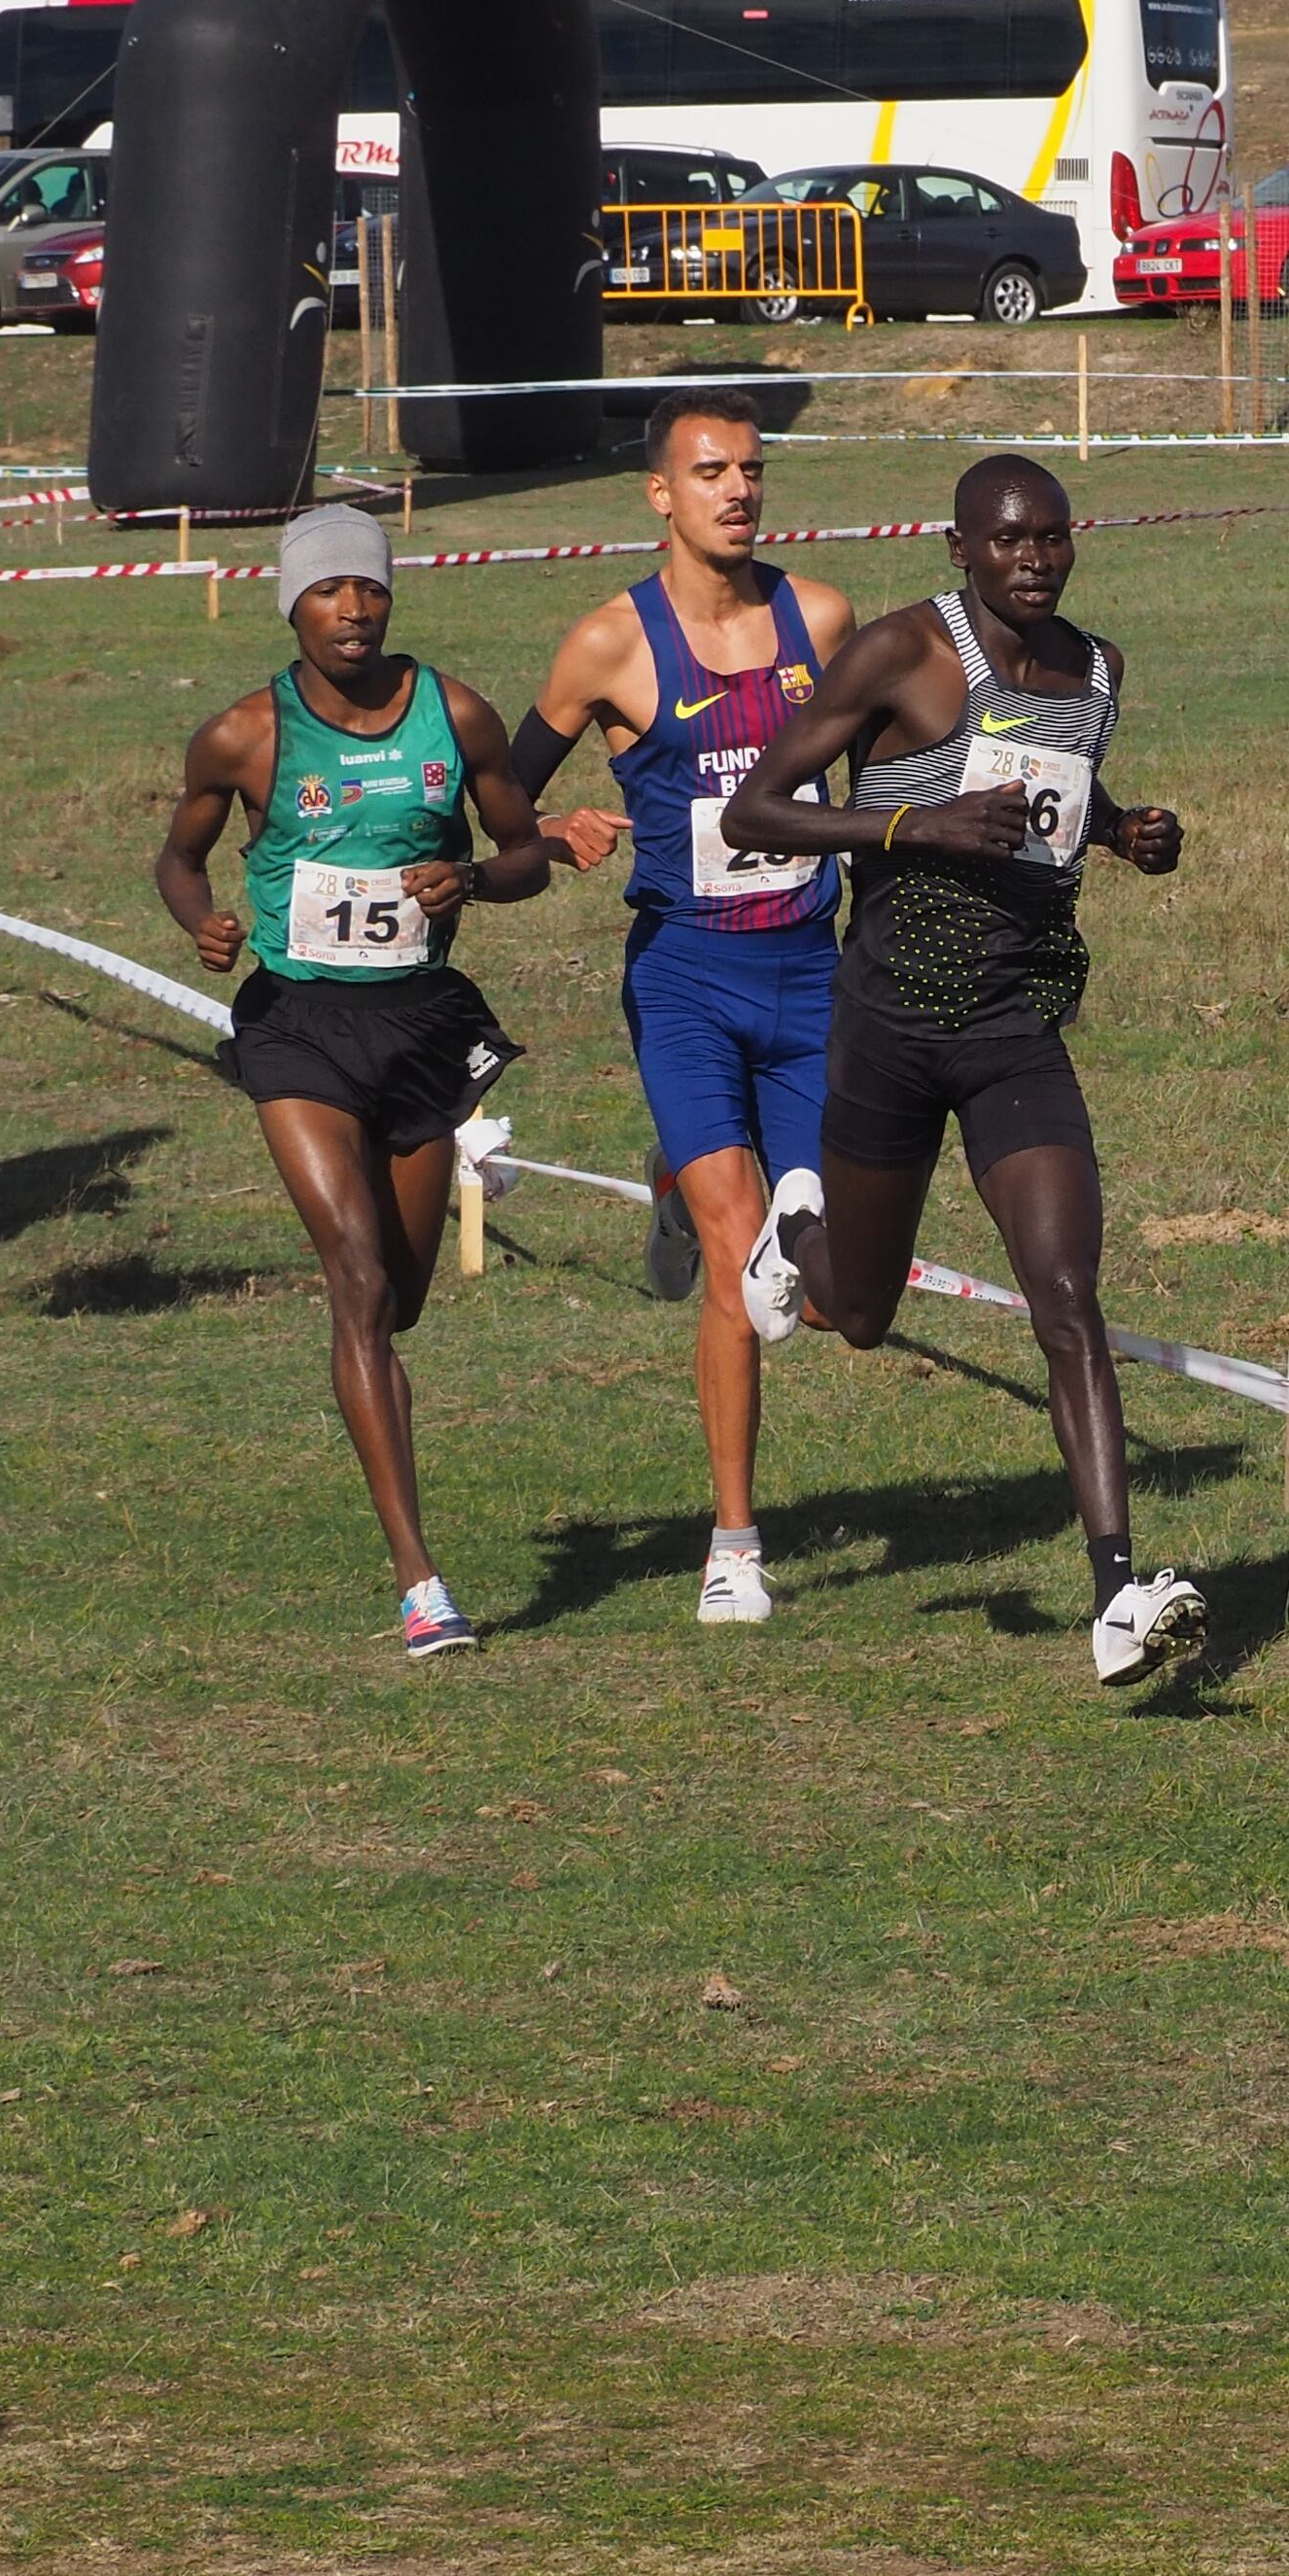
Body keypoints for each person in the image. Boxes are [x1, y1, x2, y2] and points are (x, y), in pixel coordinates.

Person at [720, 454, 1202, 1688]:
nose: (1036, 560)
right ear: (961, 550)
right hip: (886, 1028)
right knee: (865, 1318)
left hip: (1013, 1028)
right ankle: (797, 1239)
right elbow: (756, 814)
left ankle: (1114, 1596)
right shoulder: (900, 655)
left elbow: (1053, 802)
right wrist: (905, 826)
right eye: (1009, 542)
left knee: (1068, 1296)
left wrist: (1123, 828)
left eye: (1054, 539)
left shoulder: (1096, 675)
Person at [156, 504, 551, 1656]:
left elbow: (525, 854)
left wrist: (471, 881)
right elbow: (179, 856)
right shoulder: (243, 736)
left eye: (369, 590)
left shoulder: (455, 712)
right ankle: (421, 1582)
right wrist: (204, 923)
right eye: (328, 591)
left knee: (402, 1299)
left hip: (420, 1025)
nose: (353, 610)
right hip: (299, 1030)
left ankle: (372, 1346)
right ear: (293, 604)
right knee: (359, 1276)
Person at [516, 396, 859, 1627]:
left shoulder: (820, 619)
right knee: (738, 1262)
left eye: (752, 471)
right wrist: (557, 830)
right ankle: (734, 1542)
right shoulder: (610, 645)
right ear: (659, 494)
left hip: (813, 976)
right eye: (710, 471)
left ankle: (671, 1180)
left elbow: (874, 786)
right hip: (687, 978)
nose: (738, 491)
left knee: (823, 1293)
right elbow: (505, 795)